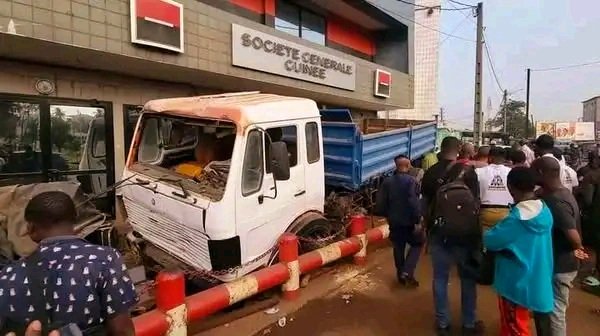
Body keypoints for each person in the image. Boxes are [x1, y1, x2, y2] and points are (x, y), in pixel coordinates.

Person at [0, 191, 137, 336]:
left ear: (31, 228)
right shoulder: (105, 259)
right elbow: (122, 330)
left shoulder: (7, 276)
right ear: (76, 222)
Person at [421, 136, 483, 336]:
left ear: (441, 149)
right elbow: (476, 205)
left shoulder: (431, 173)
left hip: (440, 233)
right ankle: (469, 323)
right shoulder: (469, 172)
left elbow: (425, 205)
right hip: (466, 234)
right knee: (467, 279)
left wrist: (427, 228)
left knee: (440, 278)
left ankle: (443, 323)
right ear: (458, 150)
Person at [484, 167, 554, 336]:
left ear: (510, 187)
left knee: (515, 327)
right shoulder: (545, 210)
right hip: (539, 277)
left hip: (515, 281)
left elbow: (490, 240)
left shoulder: (516, 219)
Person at [532, 157, 587, 336]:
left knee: (555, 312)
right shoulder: (560, 193)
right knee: (546, 310)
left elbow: (574, 237)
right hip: (556, 263)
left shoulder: (556, 201)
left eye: (534, 171)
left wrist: (578, 250)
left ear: (541, 173)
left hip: (561, 265)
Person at [375, 155, 423, 287]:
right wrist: (418, 219)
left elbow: (380, 204)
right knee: (417, 245)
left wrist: (388, 216)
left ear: (396, 166)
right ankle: (407, 272)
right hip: (410, 222)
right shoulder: (412, 181)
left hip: (394, 221)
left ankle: (401, 275)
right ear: (408, 166)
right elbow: (414, 202)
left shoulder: (387, 182)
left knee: (398, 247)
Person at [476, 146, 513, 231]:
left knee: (487, 241)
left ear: (490, 158)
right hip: (507, 213)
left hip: (486, 212)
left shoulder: (478, 172)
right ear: (504, 159)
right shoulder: (511, 172)